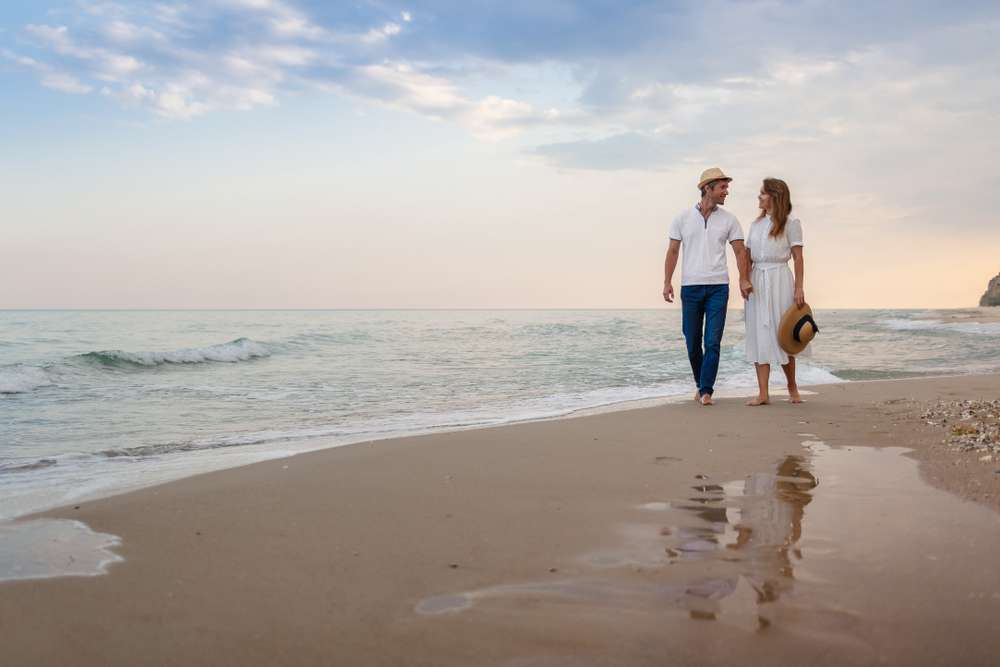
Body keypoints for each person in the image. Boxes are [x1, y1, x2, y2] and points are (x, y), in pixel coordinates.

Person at [663, 168, 752, 406]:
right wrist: (667, 282)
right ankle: (700, 384)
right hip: (690, 288)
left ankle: (706, 391)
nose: (726, 192)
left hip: (718, 287)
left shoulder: (730, 219)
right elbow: (673, 251)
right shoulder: (682, 218)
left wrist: (744, 279)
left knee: (712, 341)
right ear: (707, 188)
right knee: (692, 341)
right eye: (722, 187)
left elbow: (740, 252)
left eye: (726, 187)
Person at [743, 178, 806, 406]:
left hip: (780, 279)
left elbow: (798, 257)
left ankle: (792, 387)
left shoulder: (791, 222)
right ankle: (763, 393)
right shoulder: (756, 225)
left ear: (775, 196)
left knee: (784, 333)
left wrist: (799, 287)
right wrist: (744, 280)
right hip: (757, 281)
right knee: (759, 334)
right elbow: (747, 256)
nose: (759, 197)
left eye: (763, 193)